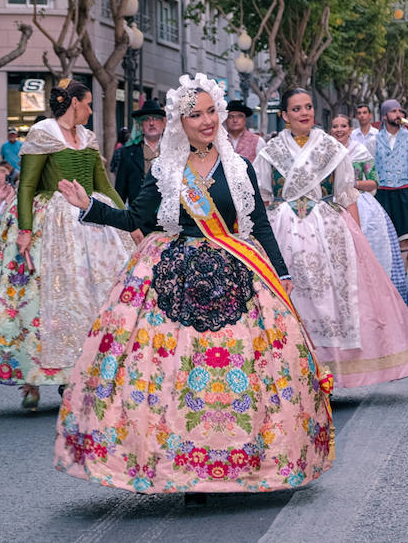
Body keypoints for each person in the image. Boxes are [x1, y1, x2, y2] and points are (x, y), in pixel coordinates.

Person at [51, 74, 334, 493]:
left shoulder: (237, 166)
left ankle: (243, 459)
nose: (206, 121)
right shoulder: (166, 169)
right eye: (194, 114)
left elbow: (257, 224)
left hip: (237, 271)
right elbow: (135, 220)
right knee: (167, 371)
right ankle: (177, 465)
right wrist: (89, 206)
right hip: (172, 274)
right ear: (178, 123)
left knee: (246, 370)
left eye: (210, 111)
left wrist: (281, 272)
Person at [0, 81, 135, 412]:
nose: (90, 110)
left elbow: (103, 186)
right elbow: (26, 185)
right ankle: (32, 379)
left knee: (87, 300)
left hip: (90, 224)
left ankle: (75, 373)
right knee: (38, 302)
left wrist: (127, 221)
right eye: (87, 104)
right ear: (73, 104)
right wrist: (25, 231)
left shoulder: (88, 138)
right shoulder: (43, 132)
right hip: (49, 224)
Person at [256, 88, 408, 388]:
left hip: (327, 230)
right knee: (293, 298)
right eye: (296, 109)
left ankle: (331, 371)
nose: (304, 113)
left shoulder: (331, 148)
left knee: (331, 300)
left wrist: (357, 236)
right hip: (284, 231)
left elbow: (348, 195)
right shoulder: (269, 153)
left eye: (308, 106)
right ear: (284, 115)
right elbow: (263, 197)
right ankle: (295, 370)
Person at [331, 113, 408, 304]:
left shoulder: (360, 151)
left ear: (350, 130)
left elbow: (374, 182)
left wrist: (351, 183)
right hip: (332, 204)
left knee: (369, 247)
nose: (339, 130)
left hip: (362, 205)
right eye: (335, 126)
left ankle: (373, 296)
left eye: (343, 126)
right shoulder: (326, 152)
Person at [371, 99, 408, 259]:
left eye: (399, 111)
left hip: (406, 194)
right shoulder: (373, 141)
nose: (398, 114)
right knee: (385, 240)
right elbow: (370, 170)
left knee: (404, 240)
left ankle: (403, 280)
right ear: (384, 116)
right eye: (393, 111)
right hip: (383, 195)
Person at [114, 98, 166, 208]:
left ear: (163, 123)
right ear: (141, 126)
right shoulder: (127, 153)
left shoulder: (174, 151)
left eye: (156, 119)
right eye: (146, 119)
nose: (151, 123)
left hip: (169, 220)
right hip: (138, 220)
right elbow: (120, 193)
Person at [224, 99, 261, 163]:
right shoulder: (219, 141)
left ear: (245, 119)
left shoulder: (257, 141)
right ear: (226, 119)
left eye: (239, 116)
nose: (235, 120)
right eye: (230, 117)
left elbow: (263, 169)